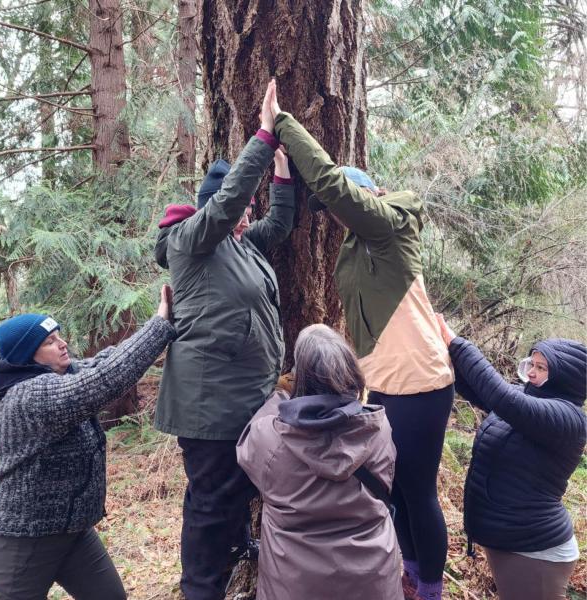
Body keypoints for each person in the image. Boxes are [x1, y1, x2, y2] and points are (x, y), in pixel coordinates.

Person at [263, 79, 454, 600]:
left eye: (341, 207)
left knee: (416, 490)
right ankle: (411, 573)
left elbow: (329, 183)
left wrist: (281, 123)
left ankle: (430, 588)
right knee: (399, 492)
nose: (334, 219)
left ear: (365, 193)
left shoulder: (388, 225)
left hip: (419, 380)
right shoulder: (364, 244)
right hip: (387, 383)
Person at [153, 85, 295, 600]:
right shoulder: (191, 241)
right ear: (216, 203)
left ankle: (237, 555)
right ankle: (200, 589)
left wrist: (280, 173)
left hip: (243, 400)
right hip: (209, 405)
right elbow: (228, 200)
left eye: (248, 207)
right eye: (240, 204)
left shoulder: (240, 244)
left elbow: (278, 225)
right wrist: (261, 135)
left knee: (235, 494)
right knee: (210, 505)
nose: (247, 213)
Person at [0, 286, 176, 600]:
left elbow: (107, 361)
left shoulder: (59, 375)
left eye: (59, 336)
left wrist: (163, 321)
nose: (63, 345)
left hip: (71, 531)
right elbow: (106, 380)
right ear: (26, 356)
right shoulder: (29, 396)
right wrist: (160, 324)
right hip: (24, 539)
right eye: (49, 342)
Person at [236, 324, 404, 600]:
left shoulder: (273, 439)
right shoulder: (379, 427)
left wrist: (278, 395)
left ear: (300, 380)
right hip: (373, 581)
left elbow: (246, 446)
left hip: (295, 586)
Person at [436, 315, 586, 600]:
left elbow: (502, 398)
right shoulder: (529, 400)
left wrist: (457, 344)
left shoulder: (567, 419)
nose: (531, 372)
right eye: (532, 363)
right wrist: (437, 350)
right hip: (512, 539)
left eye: (541, 368)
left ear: (566, 378)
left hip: (537, 551)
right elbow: (478, 388)